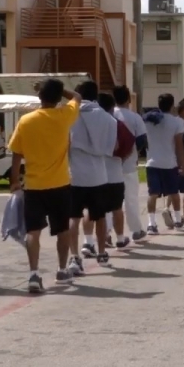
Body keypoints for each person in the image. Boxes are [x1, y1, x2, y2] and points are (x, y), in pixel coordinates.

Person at [9, 79, 81, 293]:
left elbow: (16, 155)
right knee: (62, 230)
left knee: (33, 231)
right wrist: (59, 91)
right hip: (59, 183)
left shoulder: (26, 121)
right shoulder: (64, 116)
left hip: (33, 184)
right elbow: (77, 97)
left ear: (39, 97)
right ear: (58, 98)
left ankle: (33, 274)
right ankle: (61, 269)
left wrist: (14, 180)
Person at [70, 81, 118, 270]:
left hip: (75, 173)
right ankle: (101, 252)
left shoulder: (70, 114)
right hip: (98, 174)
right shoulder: (107, 119)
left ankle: (74, 256)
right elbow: (112, 148)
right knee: (99, 217)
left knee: (73, 217)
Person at [144, 93, 184, 234]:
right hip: (169, 162)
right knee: (174, 192)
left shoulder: (149, 121)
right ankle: (177, 219)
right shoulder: (176, 122)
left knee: (153, 194)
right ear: (172, 105)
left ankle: (151, 224)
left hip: (152, 162)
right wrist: (183, 163)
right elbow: (179, 145)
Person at [96, 92, 133, 249]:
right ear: (112, 107)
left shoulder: (90, 123)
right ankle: (119, 238)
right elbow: (129, 145)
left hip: (96, 173)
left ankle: (97, 239)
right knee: (117, 208)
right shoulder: (117, 124)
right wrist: (121, 159)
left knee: (97, 211)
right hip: (115, 172)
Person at [112, 86, 148, 241]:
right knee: (131, 199)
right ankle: (136, 230)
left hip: (109, 164)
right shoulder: (135, 118)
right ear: (128, 99)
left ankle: (106, 233)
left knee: (110, 202)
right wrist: (134, 153)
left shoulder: (108, 114)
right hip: (129, 164)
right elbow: (141, 141)